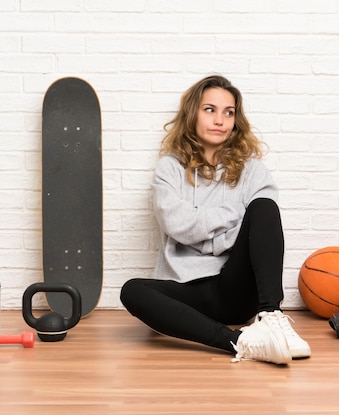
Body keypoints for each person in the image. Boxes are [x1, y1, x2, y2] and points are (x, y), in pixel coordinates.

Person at [120, 74, 310, 365]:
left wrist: (203, 235)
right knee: (132, 290)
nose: (220, 120)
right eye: (210, 109)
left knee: (262, 207)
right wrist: (232, 220)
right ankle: (239, 341)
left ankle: (271, 317)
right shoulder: (169, 168)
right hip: (186, 294)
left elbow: (260, 226)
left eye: (228, 112)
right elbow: (176, 224)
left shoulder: (252, 170)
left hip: (233, 289)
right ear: (193, 114)